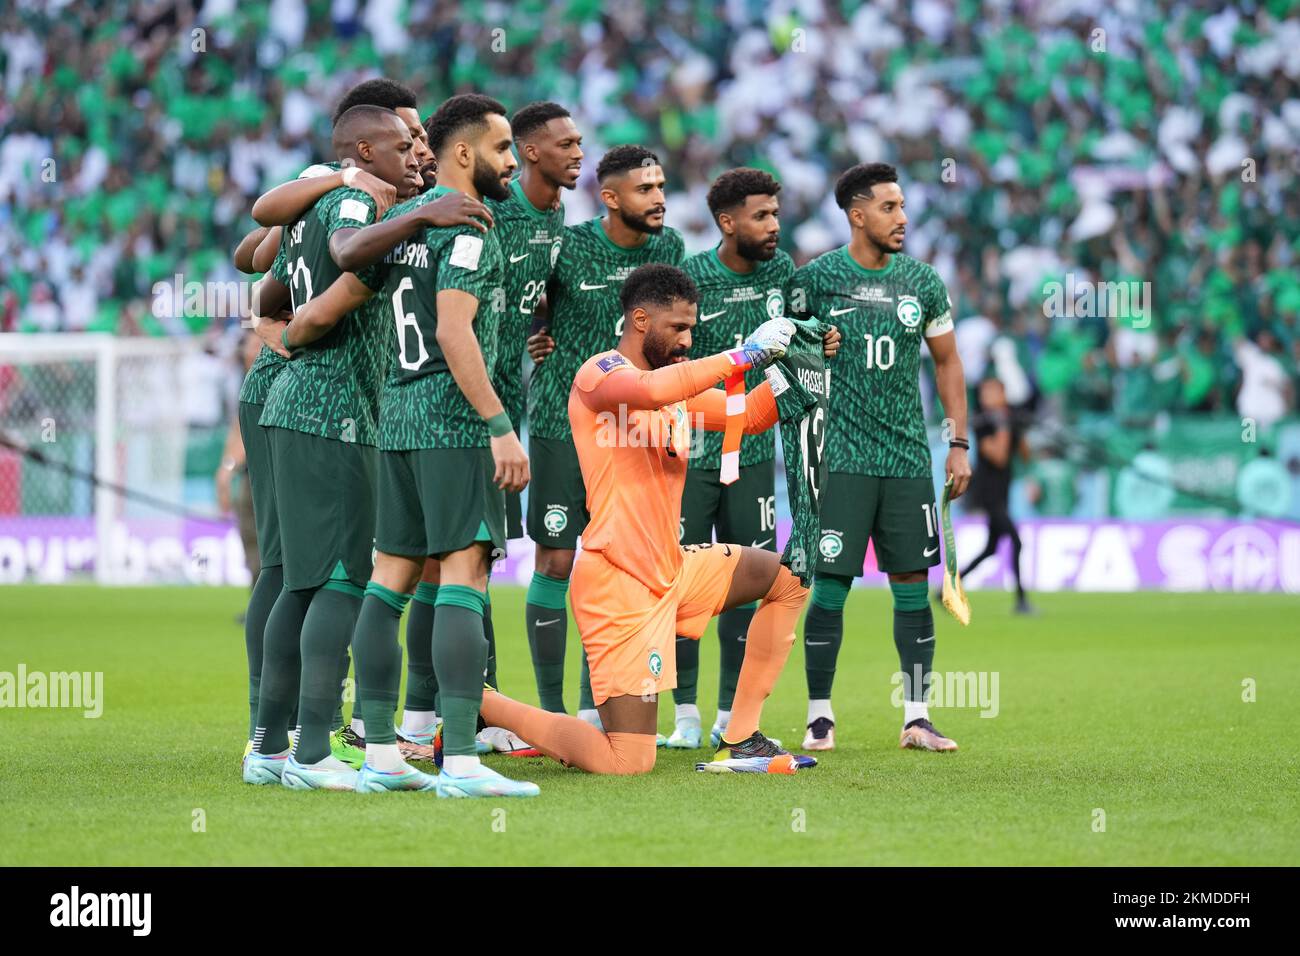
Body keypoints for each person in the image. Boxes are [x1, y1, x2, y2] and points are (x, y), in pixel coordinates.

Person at [473, 263, 840, 775]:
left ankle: (742, 737)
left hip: (674, 568)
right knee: (626, 761)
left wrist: (797, 363)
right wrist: (744, 354)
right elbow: (648, 392)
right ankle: (479, 703)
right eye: (679, 327)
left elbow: (752, 415)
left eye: (693, 328)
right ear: (640, 319)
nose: (688, 338)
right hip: (617, 582)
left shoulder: (678, 390)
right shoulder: (598, 374)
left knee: (788, 578)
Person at [788, 162, 970, 753]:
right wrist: (816, 346)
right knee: (832, 585)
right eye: (890, 207)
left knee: (913, 585)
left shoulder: (923, 281)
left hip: (907, 459)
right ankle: (819, 716)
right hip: (839, 457)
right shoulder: (816, 278)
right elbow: (782, 350)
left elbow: (947, 362)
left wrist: (958, 442)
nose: (903, 218)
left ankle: (917, 717)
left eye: (904, 206)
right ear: (856, 214)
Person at [523, 145, 685, 724]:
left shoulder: (671, 250)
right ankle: (550, 712)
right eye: (645, 189)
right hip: (561, 427)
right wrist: (535, 332)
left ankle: (600, 706)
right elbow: (527, 303)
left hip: (635, 432)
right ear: (610, 198)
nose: (659, 198)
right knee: (556, 562)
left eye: (662, 186)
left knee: (623, 565)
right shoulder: (569, 246)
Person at [668, 168, 794, 749]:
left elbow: (802, 341)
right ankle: (683, 714)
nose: (773, 226)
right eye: (761, 216)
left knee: (751, 582)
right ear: (727, 222)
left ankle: (729, 715)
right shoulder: (690, 277)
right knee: (683, 583)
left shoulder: (783, 273)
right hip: (691, 456)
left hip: (755, 455)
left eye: (775, 213)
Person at [960, 377, 1034, 614]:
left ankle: (947, 589)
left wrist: (1017, 428)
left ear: (1003, 394)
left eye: (991, 393)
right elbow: (999, 456)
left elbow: (1024, 455)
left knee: (990, 549)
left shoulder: (1007, 419)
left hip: (1002, 494)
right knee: (1016, 540)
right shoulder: (984, 424)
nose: (985, 398)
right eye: (983, 393)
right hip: (988, 494)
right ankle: (1021, 600)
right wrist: (1004, 427)